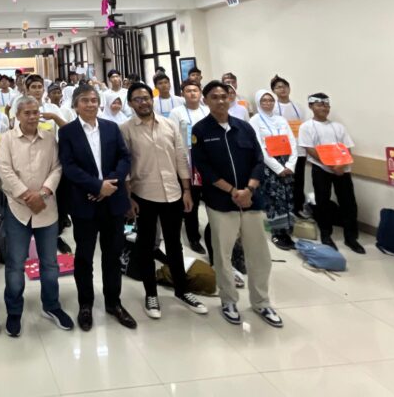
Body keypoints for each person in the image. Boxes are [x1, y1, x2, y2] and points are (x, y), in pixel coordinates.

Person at [191, 81, 282, 328]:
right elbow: (204, 168)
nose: (220, 101)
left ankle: (261, 302)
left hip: (251, 200)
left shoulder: (244, 127)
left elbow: (258, 160)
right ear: (205, 101)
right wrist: (232, 191)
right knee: (223, 255)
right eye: (214, 97)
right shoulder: (201, 130)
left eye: (224, 96)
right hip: (221, 202)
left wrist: (249, 189)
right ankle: (228, 300)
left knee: (259, 255)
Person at [121, 83, 209, 319]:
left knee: (174, 244)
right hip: (144, 194)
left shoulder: (169, 124)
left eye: (146, 98)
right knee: (146, 245)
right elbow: (125, 166)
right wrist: (128, 197)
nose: (143, 102)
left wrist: (187, 190)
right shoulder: (126, 129)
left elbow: (180, 157)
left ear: (152, 99)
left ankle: (182, 290)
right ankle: (151, 294)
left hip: (172, 193)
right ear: (131, 103)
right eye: (138, 99)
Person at [58, 84, 136, 331]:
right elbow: (69, 166)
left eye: (93, 100)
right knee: (84, 256)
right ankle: (85, 304)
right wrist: (96, 186)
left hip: (113, 201)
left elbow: (125, 158)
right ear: (75, 105)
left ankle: (114, 302)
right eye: (85, 100)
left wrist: (109, 183)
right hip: (85, 203)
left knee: (112, 255)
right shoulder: (67, 132)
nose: (90, 104)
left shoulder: (111, 127)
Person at [0, 96, 73, 337]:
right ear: (17, 115)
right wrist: (28, 195)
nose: (32, 116)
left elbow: (57, 167)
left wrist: (44, 192)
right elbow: (4, 170)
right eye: (26, 113)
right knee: (15, 263)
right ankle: (14, 311)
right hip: (18, 209)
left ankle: (51, 305)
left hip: (46, 208)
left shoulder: (49, 138)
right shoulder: (7, 139)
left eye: (35, 112)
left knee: (49, 262)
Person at [298, 93, 364, 254]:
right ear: (311, 106)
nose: (324, 108)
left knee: (349, 203)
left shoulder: (338, 127)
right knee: (323, 202)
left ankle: (351, 238)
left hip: (342, 169)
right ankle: (326, 235)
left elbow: (347, 148)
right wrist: (331, 165)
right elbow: (310, 149)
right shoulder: (306, 127)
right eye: (319, 105)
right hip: (321, 169)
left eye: (326, 105)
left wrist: (341, 165)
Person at [250, 90, 298, 251]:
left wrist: (290, 165)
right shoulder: (255, 120)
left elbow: (292, 142)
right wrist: (278, 168)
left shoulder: (281, 119)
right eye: (264, 100)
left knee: (288, 197)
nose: (268, 103)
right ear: (258, 103)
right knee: (274, 199)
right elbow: (259, 147)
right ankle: (277, 233)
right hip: (270, 166)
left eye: (270, 100)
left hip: (286, 164)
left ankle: (288, 230)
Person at [168, 80, 209, 254]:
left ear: (200, 93)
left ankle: (212, 235)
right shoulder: (176, 112)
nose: (192, 93)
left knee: (211, 201)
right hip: (187, 163)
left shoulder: (207, 111)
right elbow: (172, 137)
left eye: (195, 90)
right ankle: (193, 237)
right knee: (191, 202)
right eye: (188, 90)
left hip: (207, 163)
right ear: (182, 94)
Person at [271, 75, 309, 219]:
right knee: (284, 181)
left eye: (285, 86)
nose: (282, 89)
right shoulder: (273, 108)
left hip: (299, 150)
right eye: (278, 87)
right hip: (281, 150)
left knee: (299, 180)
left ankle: (298, 208)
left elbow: (304, 127)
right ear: (274, 91)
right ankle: (285, 210)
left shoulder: (298, 107)